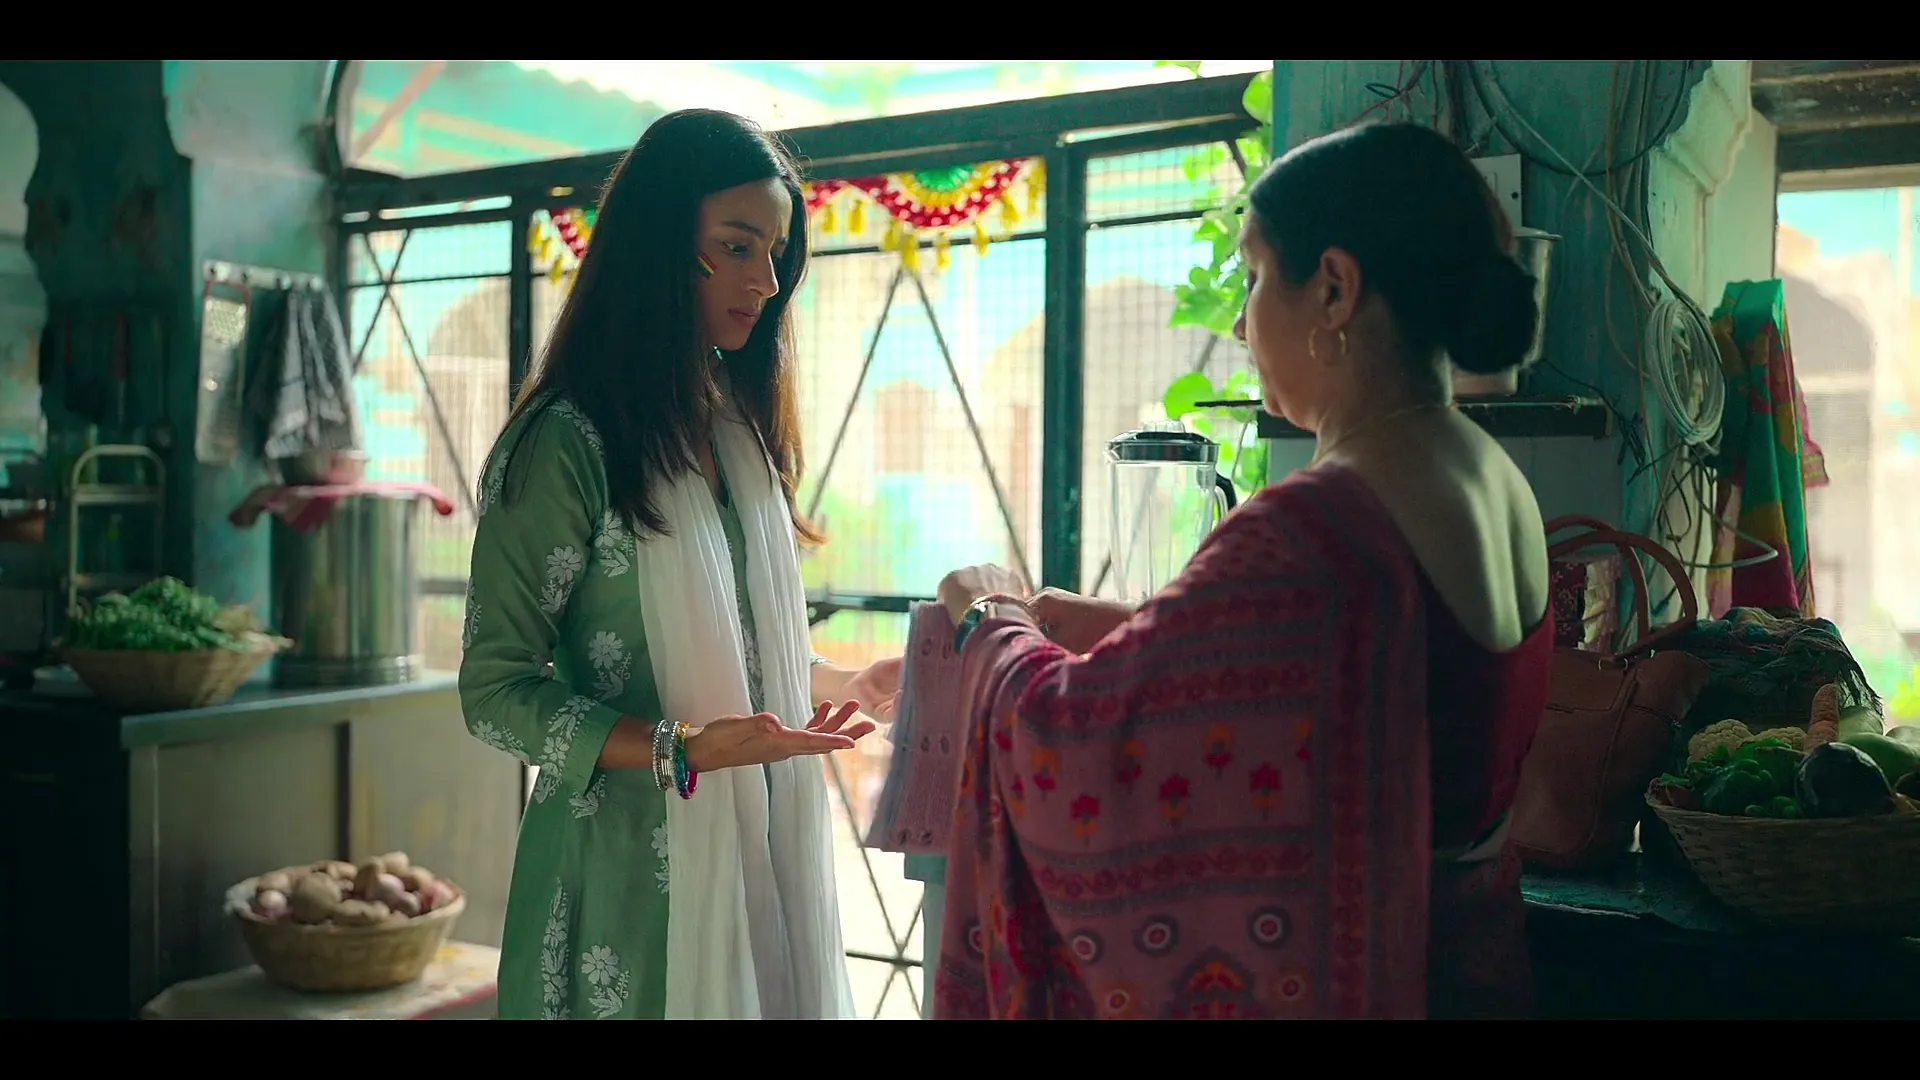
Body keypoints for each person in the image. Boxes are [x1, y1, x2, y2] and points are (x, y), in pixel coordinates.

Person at [931, 120, 1551, 1020]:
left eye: (1256, 274)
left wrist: (987, 618)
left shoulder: (1321, 523)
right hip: (1466, 970)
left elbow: (1067, 737)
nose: (1238, 318)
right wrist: (1136, 634)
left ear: (1334, 289)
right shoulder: (1488, 476)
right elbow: (1351, 686)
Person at [459, 109, 900, 1020]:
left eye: (776, 253)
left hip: (754, 858)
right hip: (617, 887)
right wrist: (680, 750)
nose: (765, 281)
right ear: (658, 246)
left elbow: (731, 654)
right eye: (737, 247)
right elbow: (494, 693)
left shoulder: (737, 434)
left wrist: (844, 682)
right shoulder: (565, 444)